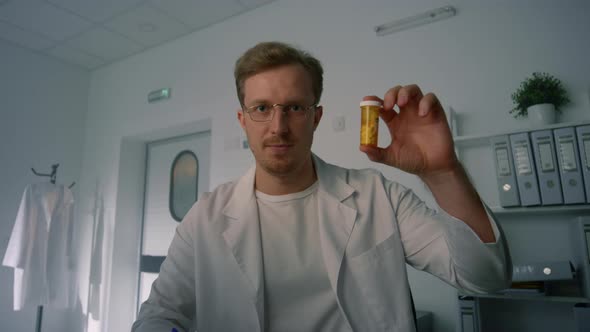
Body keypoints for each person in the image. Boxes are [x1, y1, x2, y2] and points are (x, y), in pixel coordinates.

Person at [132, 41, 511, 332]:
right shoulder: (205, 218)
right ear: (242, 120)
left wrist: (442, 172)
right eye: (261, 108)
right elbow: (161, 313)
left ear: (317, 117)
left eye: (295, 108)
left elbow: (487, 277)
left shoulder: (378, 196)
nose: (278, 126)